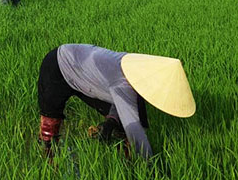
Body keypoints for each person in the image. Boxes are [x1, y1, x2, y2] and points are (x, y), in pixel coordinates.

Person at [37, 44, 195, 160]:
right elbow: (135, 131)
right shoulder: (124, 82)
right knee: (50, 123)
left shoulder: (135, 70)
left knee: (121, 120)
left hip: (86, 73)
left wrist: (111, 122)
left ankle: (123, 158)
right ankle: (48, 161)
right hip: (57, 65)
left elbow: (123, 102)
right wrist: (150, 166)